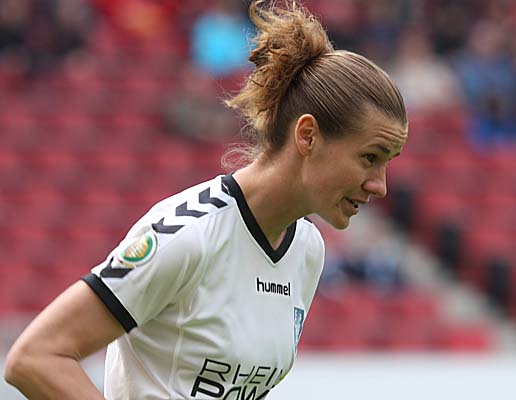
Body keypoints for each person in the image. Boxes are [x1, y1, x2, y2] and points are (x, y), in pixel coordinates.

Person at [4, 1, 408, 398]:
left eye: (387, 163)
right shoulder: (189, 236)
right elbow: (36, 358)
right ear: (307, 136)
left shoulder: (307, 249)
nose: (380, 185)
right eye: (369, 158)